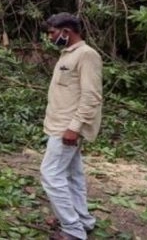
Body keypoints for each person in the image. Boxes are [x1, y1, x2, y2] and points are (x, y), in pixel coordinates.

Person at [41, 12, 103, 240]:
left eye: (52, 33)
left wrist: (74, 128)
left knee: (50, 175)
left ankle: (72, 229)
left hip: (67, 128)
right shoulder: (67, 54)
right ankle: (83, 220)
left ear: (66, 32)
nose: (50, 37)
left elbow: (91, 96)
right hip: (59, 124)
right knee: (72, 175)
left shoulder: (87, 55)